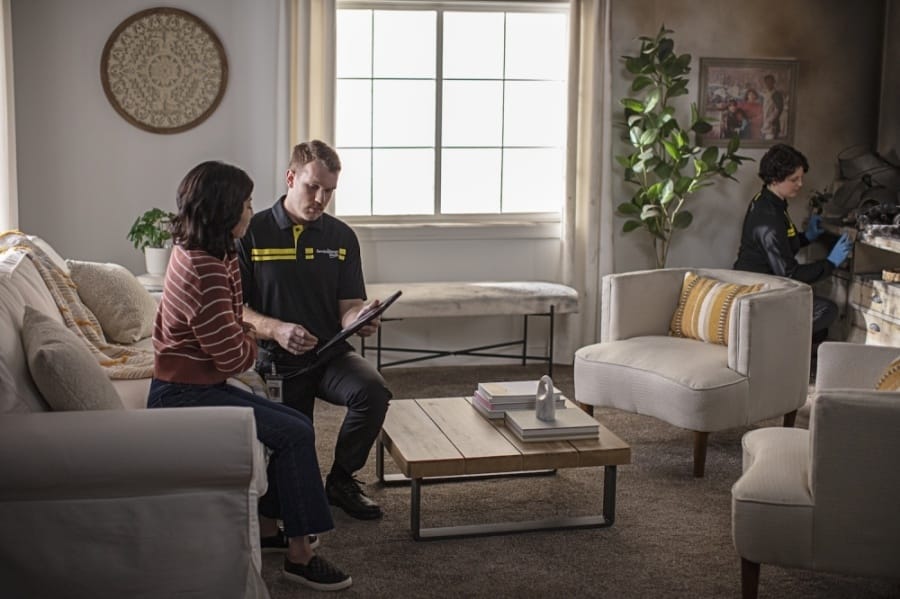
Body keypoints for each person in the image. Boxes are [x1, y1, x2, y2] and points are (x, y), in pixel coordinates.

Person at [148, 161, 352, 591]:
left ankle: (272, 530)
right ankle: (300, 557)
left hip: (196, 384)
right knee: (295, 431)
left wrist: (241, 329)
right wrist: (250, 335)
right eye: (245, 204)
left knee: (293, 424)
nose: (250, 211)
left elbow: (233, 322)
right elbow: (234, 360)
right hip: (182, 394)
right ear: (224, 211)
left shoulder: (213, 253)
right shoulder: (203, 269)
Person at [237, 140, 391, 521]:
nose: (321, 199)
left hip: (328, 355)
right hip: (275, 360)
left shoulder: (341, 238)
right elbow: (236, 308)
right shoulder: (251, 233)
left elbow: (347, 308)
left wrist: (359, 319)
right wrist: (276, 329)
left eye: (330, 191)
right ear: (290, 178)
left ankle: (341, 480)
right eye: (313, 187)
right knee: (292, 452)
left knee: (373, 391)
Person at [733, 144, 852, 354]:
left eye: (801, 178)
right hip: (759, 292)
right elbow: (790, 274)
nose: (800, 184)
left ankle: (783, 348)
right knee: (827, 311)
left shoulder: (770, 201)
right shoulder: (769, 218)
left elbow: (781, 244)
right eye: (794, 179)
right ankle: (770, 345)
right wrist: (830, 263)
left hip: (766, 284)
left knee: (819, 333)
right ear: (775, 179)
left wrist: (806, 237)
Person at [760, 74, 785, 140]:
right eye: (766, 82)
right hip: (763, 122)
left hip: (772, 124)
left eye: (770, 82)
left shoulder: (777, 94)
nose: (768, 84)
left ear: (774, 82)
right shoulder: (764, 94)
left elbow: (778, 109)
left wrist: (769, 121)